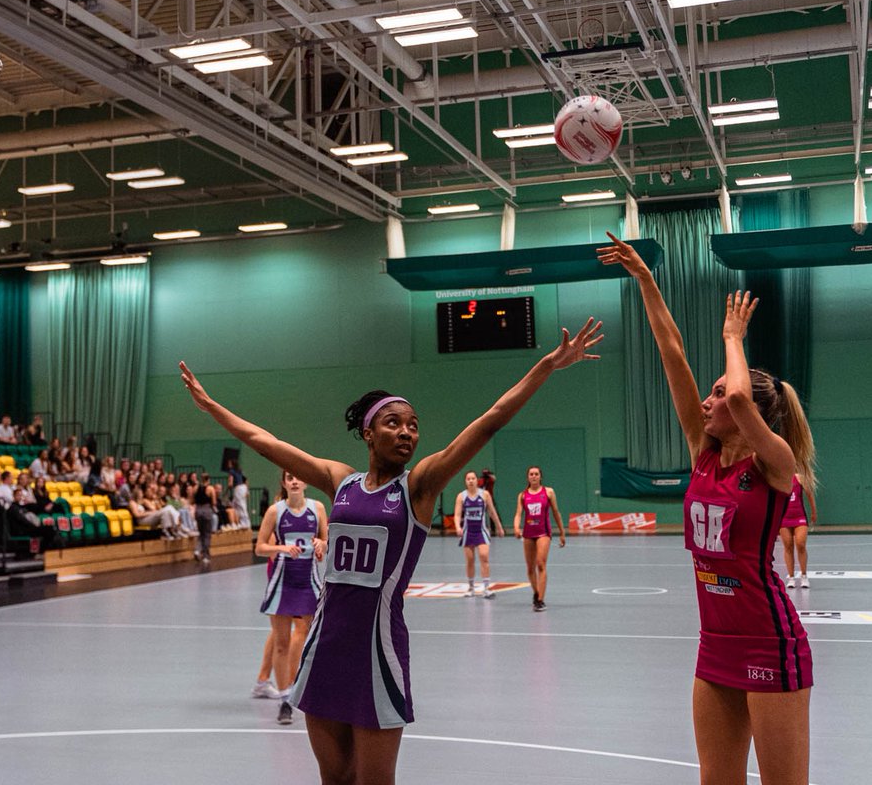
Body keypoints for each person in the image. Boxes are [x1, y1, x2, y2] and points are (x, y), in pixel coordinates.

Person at [178, 317, 601, 785]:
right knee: (334, 778)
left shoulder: (419, 486)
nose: (406, 432)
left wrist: (546, 366)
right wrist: (211, 406)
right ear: (368, 432)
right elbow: (266, 443)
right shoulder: (341, 481)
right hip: (324, 645)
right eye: (393, 423)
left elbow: (490, 422)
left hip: (378, 651)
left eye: (413, 426)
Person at [599, 231, 815, 785]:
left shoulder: (774, 461)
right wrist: (645, 279)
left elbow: (741, 396)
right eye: (712, 392)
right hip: (715, 643)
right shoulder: (703, 452)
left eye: (716, 393)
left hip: (770, 640)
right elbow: (671, 353)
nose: (708, 400)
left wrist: (733, 337)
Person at [255, 471, 328, 725]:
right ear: (284, 483)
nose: (295, 481)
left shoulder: (317, 508)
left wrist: (321, 545)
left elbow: (326, 540)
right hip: (282, 583)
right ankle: (285, 699)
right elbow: (259, 547)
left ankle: (308, 689)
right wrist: (281, 548)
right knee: (281, 643)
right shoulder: (275, 512)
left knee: (313, 639)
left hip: (309, 582)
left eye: (298, 477)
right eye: (289, 478)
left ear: (305, 481)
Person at [511, 465, 566, 611]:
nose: (534, 476)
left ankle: (541, 600)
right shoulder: (523, 495)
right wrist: (516, 527)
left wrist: (562, 532)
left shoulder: (548, 492)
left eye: (536, 474)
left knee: (540, 564)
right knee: (530, 568)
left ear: (540, 476)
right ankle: (536, 593)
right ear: (528, 477)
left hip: (543, 533)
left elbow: (556, 512)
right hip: (528, 533)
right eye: (531, 474)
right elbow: (518, 514)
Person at [454, 470, 505, 599]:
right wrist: (458, 527)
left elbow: (492, 512)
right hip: (468, 532)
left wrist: (499, 527)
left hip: (481, 531)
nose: (471, 481)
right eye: (468, 479)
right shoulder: (461, 496)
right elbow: (457, 514)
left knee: (484, 557)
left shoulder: (484, 495)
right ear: (465, 482)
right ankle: (471, 587)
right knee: (470, 560)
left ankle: (486, 588)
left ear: (477, 481)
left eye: (473, 478)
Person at [779, 474, 817, 589]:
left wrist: (813, 511)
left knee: (801, 544)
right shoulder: (778, 478)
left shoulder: (799, 478)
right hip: (784, 518)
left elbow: (809, 494)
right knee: (788, 546)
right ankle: (791, 578)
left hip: (799, 516)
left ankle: (804, 576)